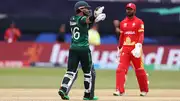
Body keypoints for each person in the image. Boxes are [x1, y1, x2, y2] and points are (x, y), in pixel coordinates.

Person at [58, 1, 106, 100]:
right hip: (83, 49)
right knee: (88, 72)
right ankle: (87, 95)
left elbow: (85, 24)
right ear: (80, 9)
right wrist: (95, 16)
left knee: (70, 71)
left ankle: (63, 88)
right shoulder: (83, 18)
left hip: (73, 48)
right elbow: (86, 20)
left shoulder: (72, 19)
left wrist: (95, 19)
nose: (88, 10)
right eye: (86, 8)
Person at [113, 3, 149, 96]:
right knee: (120, 69)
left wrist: (139, 46)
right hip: (125, 48)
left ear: (134, 10)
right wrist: (119, 48)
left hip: (135, 48)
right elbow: (122, 36)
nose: (129, 10)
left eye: (131, 9)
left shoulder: (139, 22)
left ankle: (144, 90)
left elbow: (141, 35)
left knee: (139, 70)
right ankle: (119, 90)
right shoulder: (123, 23)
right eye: (127, 9)